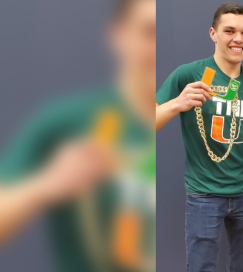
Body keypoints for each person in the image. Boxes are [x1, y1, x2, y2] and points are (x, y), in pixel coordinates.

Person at [0, 0, 157, 271]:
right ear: (118, 35)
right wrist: (44, 185)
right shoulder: (68, 121)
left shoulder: (194, 116)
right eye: (149, 33)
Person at [155, 3, 243, 271]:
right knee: (201, 266)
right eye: (230, 31)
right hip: (204, 194)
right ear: (213, 33)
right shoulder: (189, 74)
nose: (239, 39)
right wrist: (177, 104)